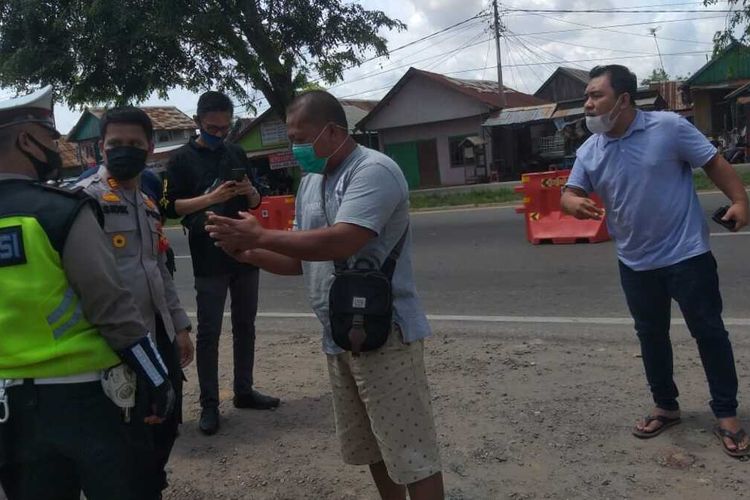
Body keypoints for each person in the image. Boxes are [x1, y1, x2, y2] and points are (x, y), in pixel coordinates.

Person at [206, 90, 444, 499]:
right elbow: (303, 258)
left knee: (411, 450)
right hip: (339, 333)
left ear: (332, 131)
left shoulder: (373, 170)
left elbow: (342, 241)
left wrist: (263, 234)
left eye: (301, 137)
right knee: (373, 447)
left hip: (385, 334)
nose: (295, 148)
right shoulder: (312, 182)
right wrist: (248, 251)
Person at [561, 65, 750, 457]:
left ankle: (727, 415)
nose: (589, 104)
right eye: (587, 97)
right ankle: (666, 406)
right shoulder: (590, 149)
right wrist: (572, 201)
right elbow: (570, 190)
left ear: (624, 99)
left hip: (687, 255)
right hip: (634, 262)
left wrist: (740, 200)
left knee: (710, 333)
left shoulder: (668, 127)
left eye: (597, 95)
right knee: (651, 336)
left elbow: (712, 162)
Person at [0, 87, 175, 499]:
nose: (56, 147)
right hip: (84, 399)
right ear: (27, 140)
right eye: (49, 138)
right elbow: (111, 306)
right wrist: (157, 378)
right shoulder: (60, 209)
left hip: (9, 406)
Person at [76, 106, 195, 494]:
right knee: (128, 435)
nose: (124, 150)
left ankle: (152, 483)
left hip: (157, 335)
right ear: (101, 148)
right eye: (116, 144)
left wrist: (179, 326)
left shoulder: (146, 203)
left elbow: (159, 270)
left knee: (167, 418)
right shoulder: (83, 202)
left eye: (133, 144)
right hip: (117, 345)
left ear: (148, 149)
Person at [162, 91, 279, 436]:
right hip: (208, 254)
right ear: (198, 121)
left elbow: (257, 201)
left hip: (245, 251)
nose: (219, 134)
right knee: (209, 333)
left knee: (246, 325)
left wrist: (248, 190)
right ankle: (209, 405)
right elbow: (169, 208)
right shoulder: (181, 160)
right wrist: (212, 198)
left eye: (225, 128)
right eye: (213, 128)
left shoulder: (236, 151)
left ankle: (243, 391)